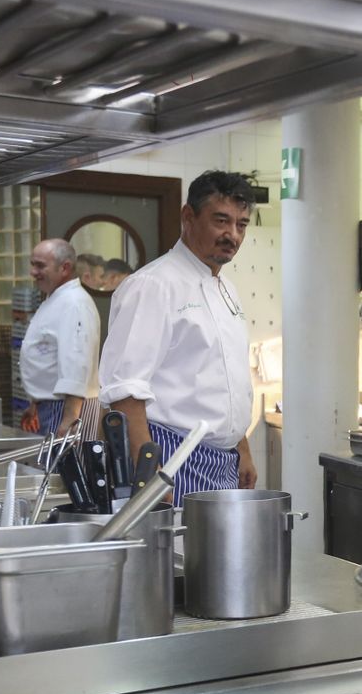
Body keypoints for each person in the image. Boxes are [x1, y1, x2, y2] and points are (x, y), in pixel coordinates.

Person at [99, 171, 258, 496]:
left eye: (241, 225)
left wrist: (242, 447)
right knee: (177, 549)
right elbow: (125, 391)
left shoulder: (226, 287)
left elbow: (227, 376)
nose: (233, 235)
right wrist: (149, 473)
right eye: (221, 221)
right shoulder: (153, 285)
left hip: (222, 463)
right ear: (188, 217)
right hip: (170, 455)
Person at [22, 238, 102, 438]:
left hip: (69, 407)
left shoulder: (74, 303)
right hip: (50, 406)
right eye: (32, 264)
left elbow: (76, 362)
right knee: (52, 468)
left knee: (63, 469)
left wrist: (70, 418)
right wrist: (35, 402)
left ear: (65, 268)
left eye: (40, 266)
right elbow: (48, 357)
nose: (33, 272)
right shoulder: (55, 299)